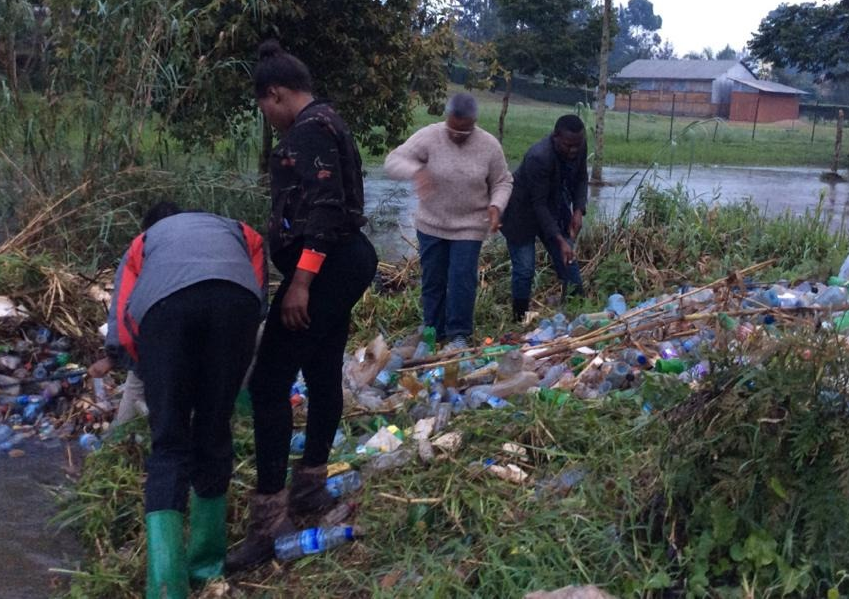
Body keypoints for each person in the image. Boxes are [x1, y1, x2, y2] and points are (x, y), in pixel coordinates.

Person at [226, 39, 378, 571]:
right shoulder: (330, 120)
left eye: (264, 107)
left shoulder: (308, 130)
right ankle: (311, 486)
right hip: (344, 261)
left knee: (267, 384)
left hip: (328, 264)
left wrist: (300, 284)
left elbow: (326, 208)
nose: (266, 117)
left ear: (275, 95)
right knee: (319, 370)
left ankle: (269, 523)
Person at [97, 202, 267, 599]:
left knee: (170, 443)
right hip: (235, 306)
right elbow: (258, 299)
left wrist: (156, 374)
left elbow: (122, 325)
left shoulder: (144, 242)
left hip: (167, 312)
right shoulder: (241, 231)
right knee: (213, 431)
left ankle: (167, 585)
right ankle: (207, 568)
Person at [383, 92, 513, 348]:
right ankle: (433, 330)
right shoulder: (430, 136)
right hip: (431, 223)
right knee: (433, 279)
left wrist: (497, 206)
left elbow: (502, 181)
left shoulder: (488, 145)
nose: (456, 136)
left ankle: (458, 334)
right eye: (453, 129)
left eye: (464, 132)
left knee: (462, 279)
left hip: (470, 226)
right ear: (447, 118)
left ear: (473, 123)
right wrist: (416, 171)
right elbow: (392, 161)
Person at [502, 115, 588, 320]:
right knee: (525, 268)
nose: (573, 151)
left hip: (554, 205)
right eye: (568, 146)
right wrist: (559, 240)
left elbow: (582, 177)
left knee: (568, 260)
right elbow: (538, 205)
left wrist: (578, 210)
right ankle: (519, 317)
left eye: (577, 145)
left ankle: (577, 311)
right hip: (521, 212)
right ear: (555, 137)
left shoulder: (579, 144)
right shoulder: (538, 157)